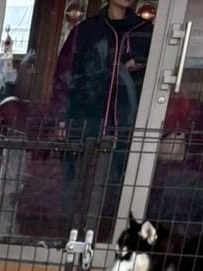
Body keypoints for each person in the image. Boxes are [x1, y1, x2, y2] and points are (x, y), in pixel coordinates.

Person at [52, 1, 153, 218]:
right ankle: (70, 233)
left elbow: (154, 80)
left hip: (127, 124)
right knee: (75, 185)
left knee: (114, 191)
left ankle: (101, 236)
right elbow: (65, 75)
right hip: (85, 120)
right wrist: (61, 118)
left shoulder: (145, 32)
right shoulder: (87, 30)